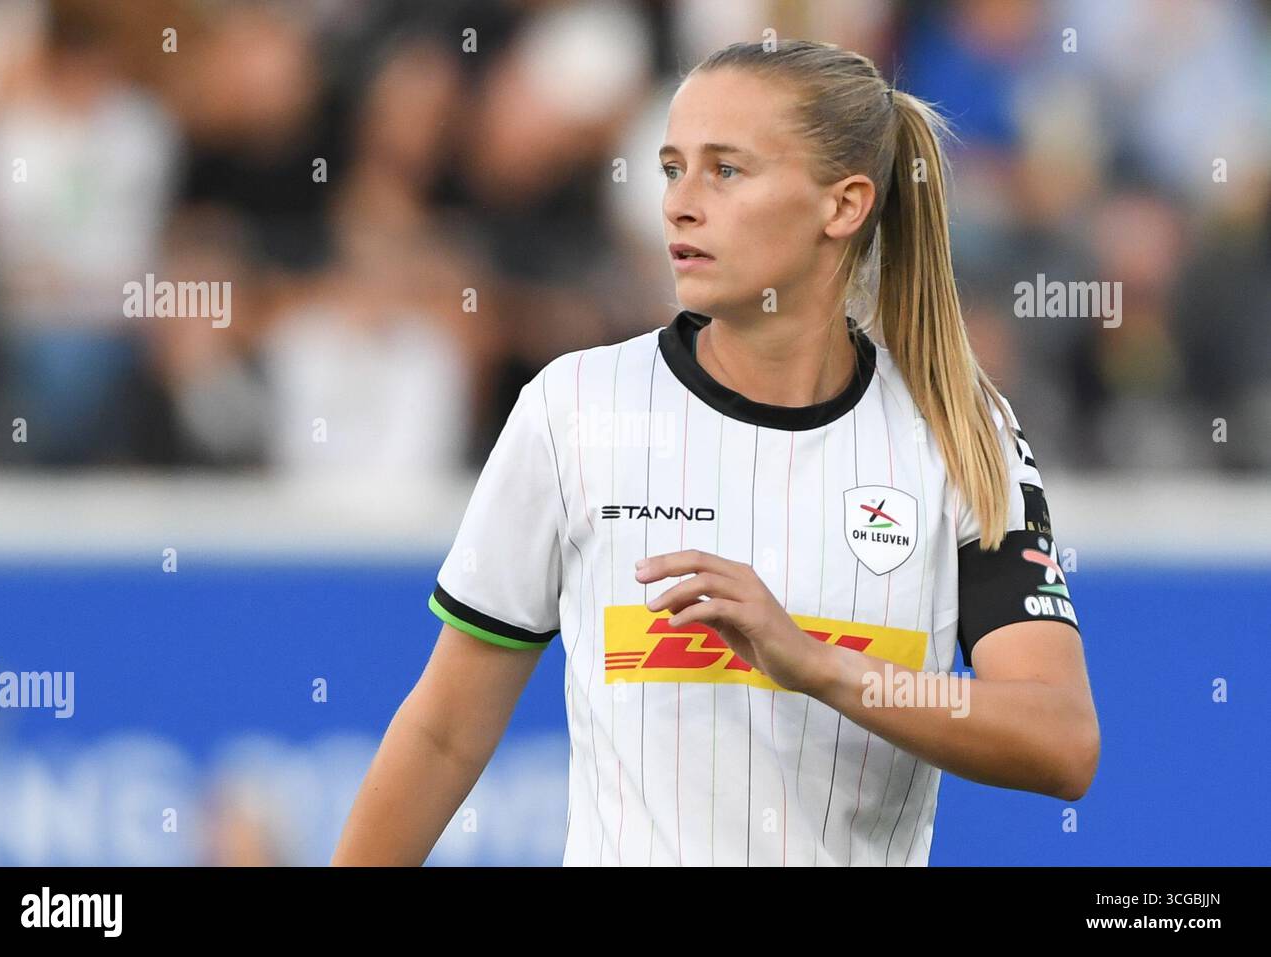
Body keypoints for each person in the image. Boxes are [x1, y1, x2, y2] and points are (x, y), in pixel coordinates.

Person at [332, 39, 1098, 867]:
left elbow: (1059, 738)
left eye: (725, 171)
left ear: (843, 206)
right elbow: (444, 733)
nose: (678, 204)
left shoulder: (959, 425)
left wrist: (815, 665)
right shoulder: (575, 408)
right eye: (671, 168)